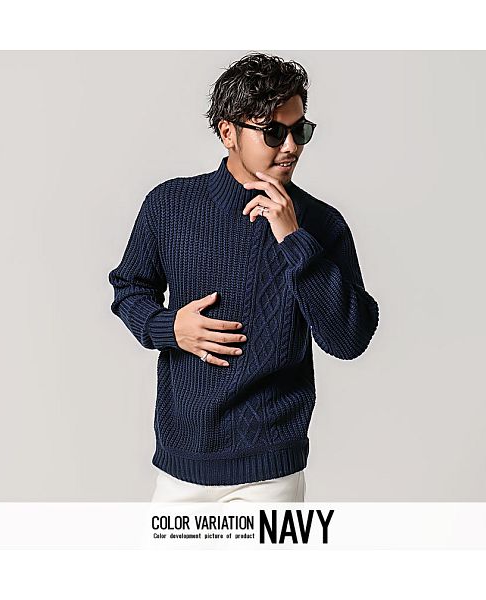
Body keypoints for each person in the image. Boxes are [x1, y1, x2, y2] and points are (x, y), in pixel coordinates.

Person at [108, 52, 380, 502]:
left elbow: (349, 339)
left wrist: (293, 238)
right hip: (182, 464)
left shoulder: (321, 224)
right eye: (273, 131)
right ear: (227, 132)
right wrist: (168, 327)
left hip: (271, 473)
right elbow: (130, 288)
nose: (290, 146)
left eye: (300, 130)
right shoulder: (169, 205)